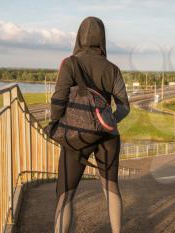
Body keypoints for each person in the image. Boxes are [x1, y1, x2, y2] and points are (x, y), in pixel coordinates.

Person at [50, 17, 130, 233]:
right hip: (108, 137)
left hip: (77, 138)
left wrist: (56, 123)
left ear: (79, 36)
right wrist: (107, 123)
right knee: (111, 187)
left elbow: (58, 100)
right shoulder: (112, 69)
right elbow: (124, 107)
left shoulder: (70, 63)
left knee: (65, 194)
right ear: (102, 38)